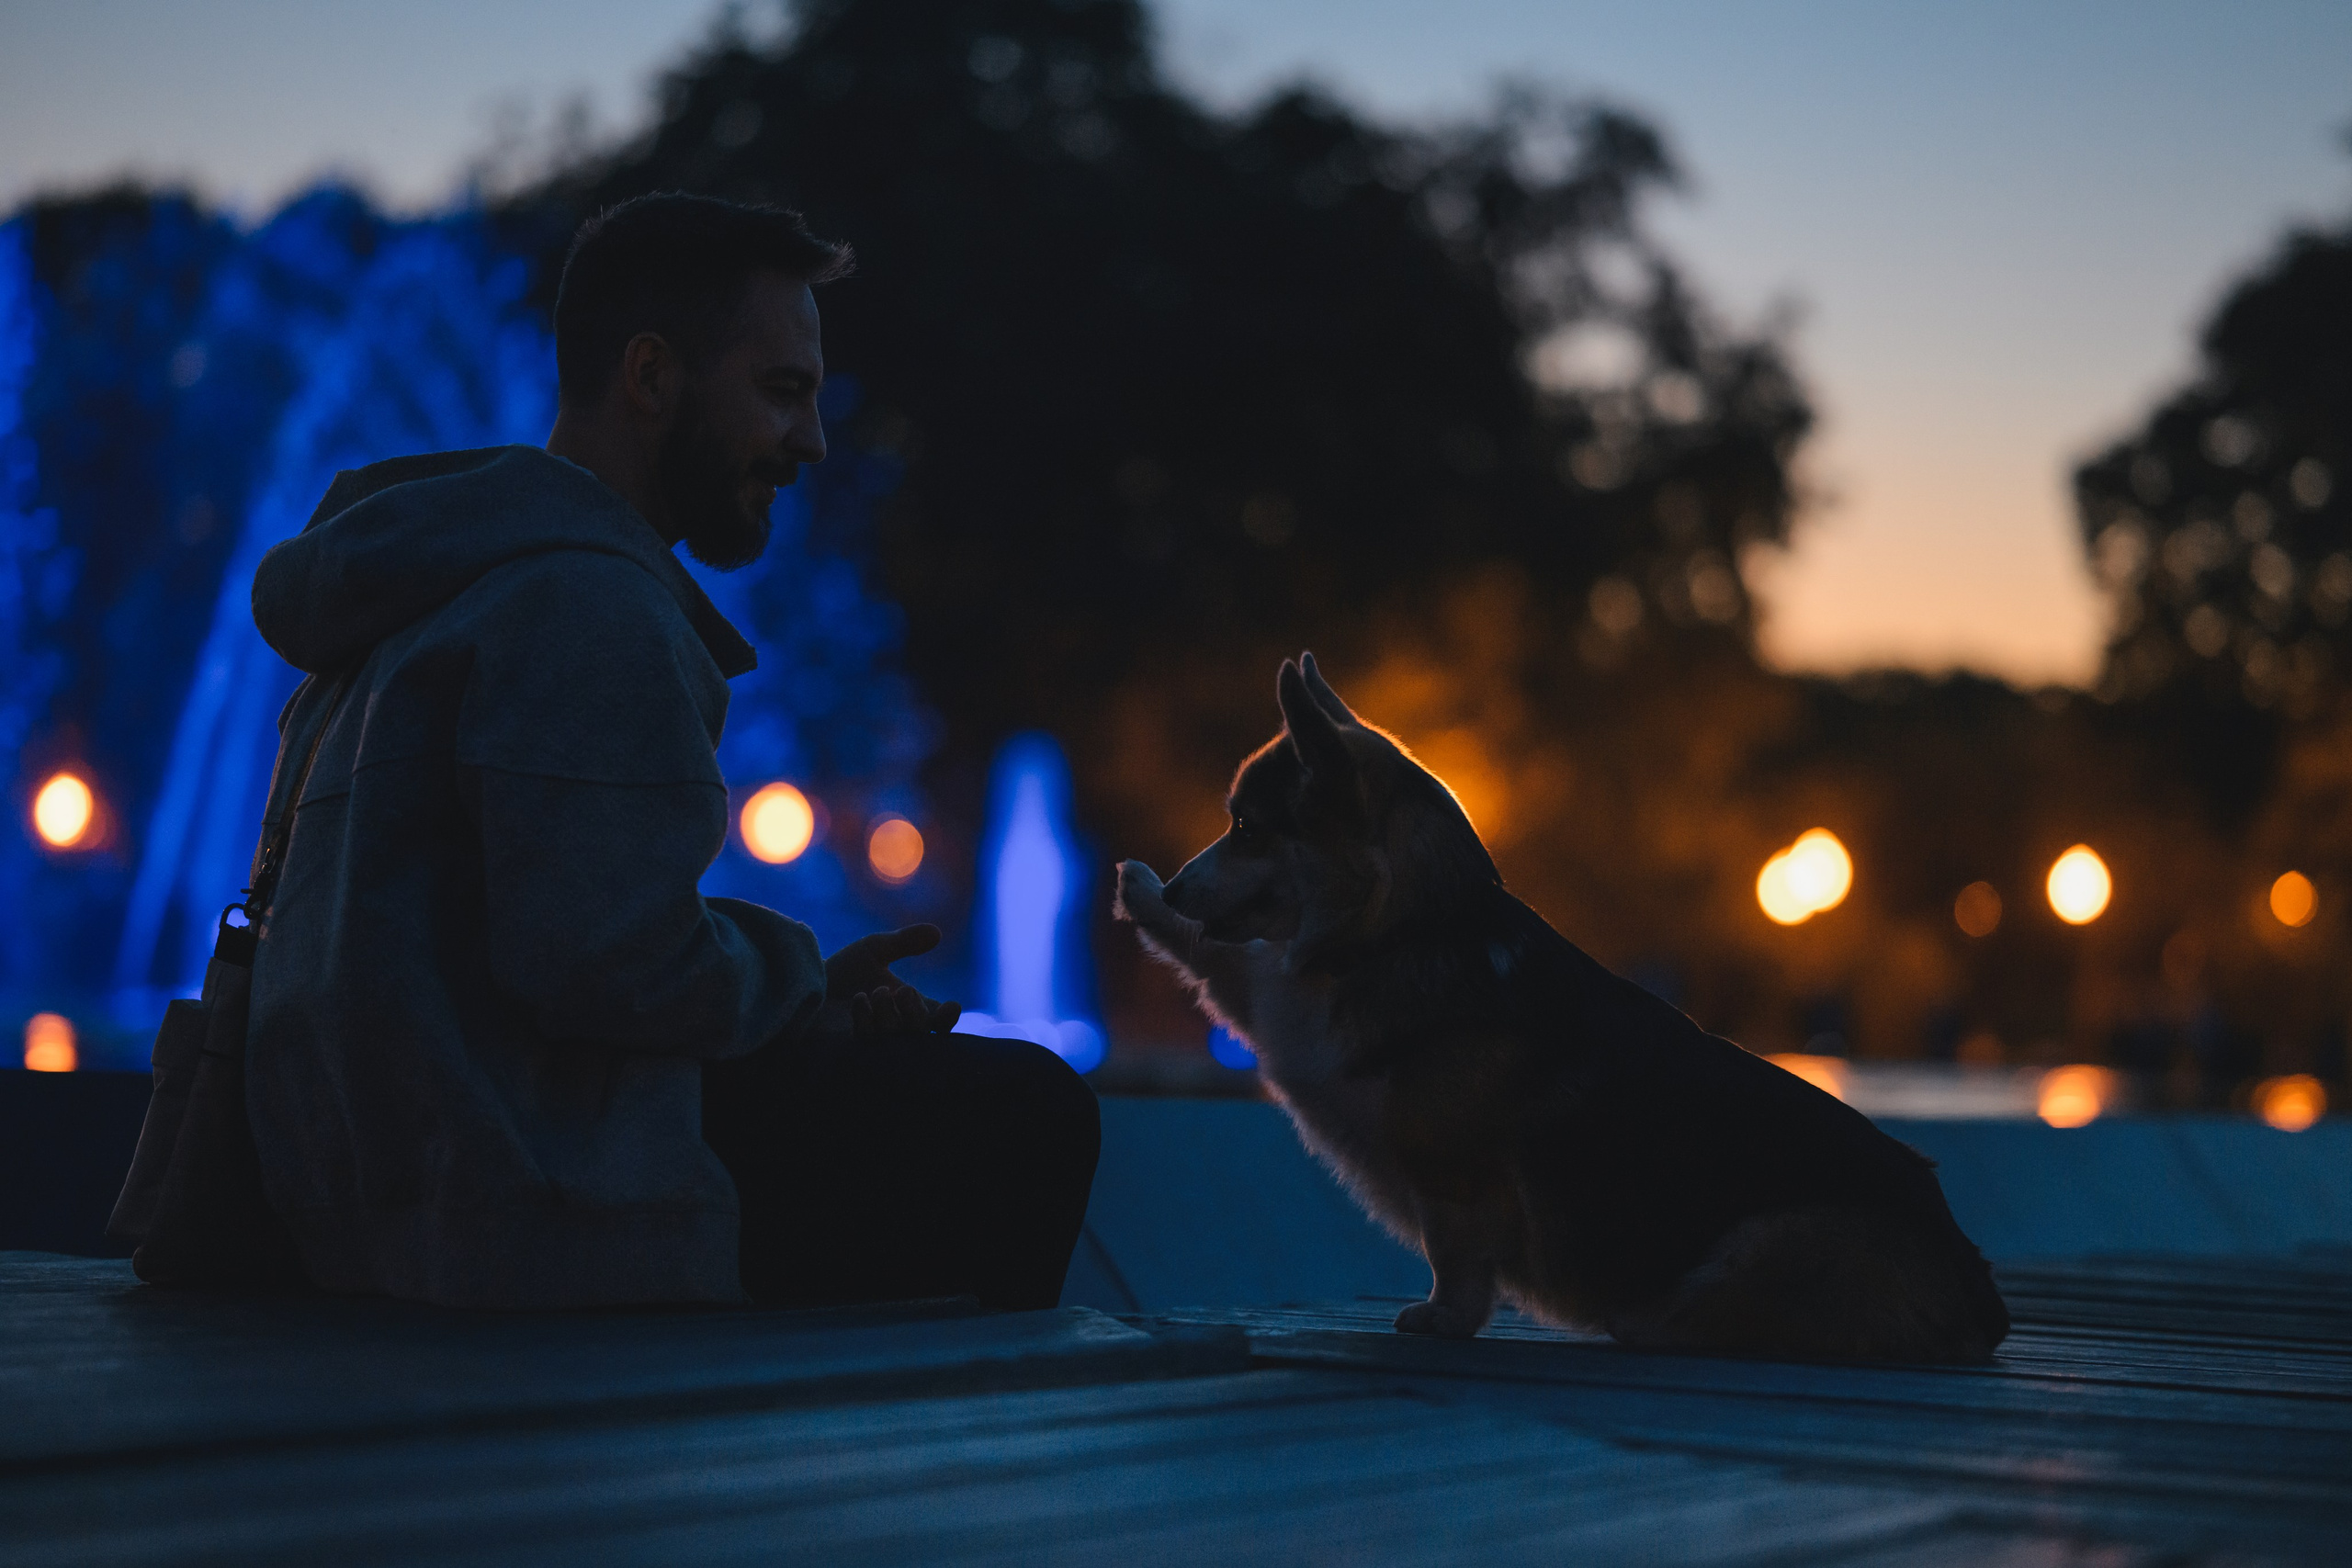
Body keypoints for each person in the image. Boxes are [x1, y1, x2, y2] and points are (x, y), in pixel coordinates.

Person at [243, 193, 1099, 1311]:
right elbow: (611, 971)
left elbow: (525, 941)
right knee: (1023, 1109)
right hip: (516, 1210)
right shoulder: (586, 602)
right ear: (651, 379)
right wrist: (798, 988)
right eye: (781, 392)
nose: (812, 440)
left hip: (376, 1192)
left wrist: (800, 995)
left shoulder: (425, 584)